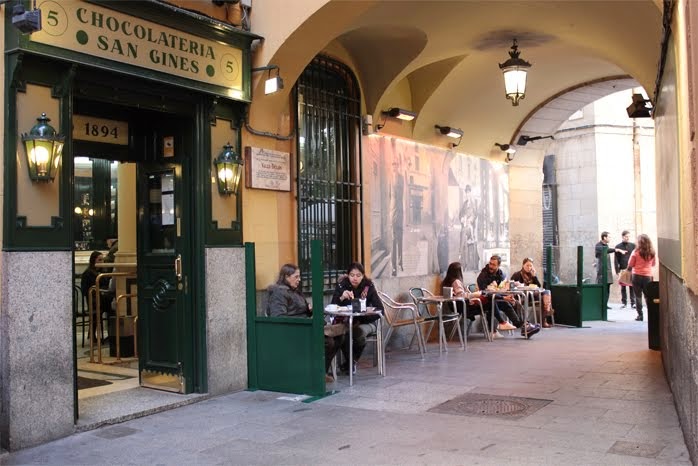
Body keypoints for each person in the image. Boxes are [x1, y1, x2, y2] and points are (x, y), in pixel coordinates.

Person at [267, 264, 343, 383]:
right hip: (294, 331)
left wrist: (308, 310)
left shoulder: (294, 291)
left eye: (299, 276)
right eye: (296, 277)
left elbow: (298, 309)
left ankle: (321, 371)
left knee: (339, 336)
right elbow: (278, 317)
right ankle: (314, 372)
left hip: (304, 326)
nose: (299, 280)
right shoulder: (279, 293)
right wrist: (303, 320)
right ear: (287, 277)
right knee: (328, 341)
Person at [331, 262, 383, 375]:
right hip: (346, 321)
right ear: (348, 275)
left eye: (358, 275)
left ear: (363, 276)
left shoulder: (368, 287)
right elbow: (333, 306)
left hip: (367, 322)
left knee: (358, 333)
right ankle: (351, 363)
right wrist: (341, 297)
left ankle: (350, 363)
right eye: (352, 275)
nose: (355, 278)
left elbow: (380, 309)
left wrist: (363, 316)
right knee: (343, 333)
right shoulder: (342, 285)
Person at [476, 255, 541, 338]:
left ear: (498, 265)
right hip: (486, 301)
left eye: (493, 265)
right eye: (490, 264)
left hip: (496, 298)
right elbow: (485, 293)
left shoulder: (500, 274)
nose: (491, 266)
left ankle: (525, 326)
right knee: (496, 302)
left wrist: (508, 297)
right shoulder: (483, 275)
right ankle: (507, 324)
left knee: (514, 302)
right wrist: (503, 297)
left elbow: (503, 288)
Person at [510, 257, 553, 328]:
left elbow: (538, 286)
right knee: (543, 297)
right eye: (527, 265)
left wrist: (534, 276)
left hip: (532, 295)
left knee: (546, 293)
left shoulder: (532, 275)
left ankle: (545, 315)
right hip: (522, 296)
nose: (529, 267)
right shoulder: (517, 274)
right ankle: (544, 319)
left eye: (530, 266)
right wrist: (517, 285)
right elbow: (511, 285)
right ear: (523, 265)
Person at [80, 251, 111, 342]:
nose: (102, 262)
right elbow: (85, 290)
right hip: (93, 300)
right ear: (93, 261)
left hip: (102, 298)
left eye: (103, 260)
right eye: (99, 260)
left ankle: (111, 334)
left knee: (114, 307)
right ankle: (94, 335)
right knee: (103, 309)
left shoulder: (102, 272)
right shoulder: (88, 273)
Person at [627, 234, 656, 322]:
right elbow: (653, 264)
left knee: (638, 296)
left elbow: (630, 265)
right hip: (648, 276)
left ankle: (640, 315)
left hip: (637, 276)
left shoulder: (635, 252)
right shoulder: (652, 252)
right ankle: (651, 315)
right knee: (648, 296)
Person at [595, 231, 626, 310]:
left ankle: (605, 304)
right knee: (602, 288)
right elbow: (606, 250)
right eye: (609, 237)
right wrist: (617, 250)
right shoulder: (598, 245)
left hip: (608, 270)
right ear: (604, 237)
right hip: (601, 271)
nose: (610, 238)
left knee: (608, 287)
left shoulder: (606, 245)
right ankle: (601, 304)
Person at [390, 152, 405, 276]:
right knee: (393, 240)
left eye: (396, 164)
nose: (394, 166)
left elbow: (402, 193)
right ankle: (393, 266)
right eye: (393, 164)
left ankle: (400, 262)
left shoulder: (401, 177)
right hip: (393, 211)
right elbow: (390, 195)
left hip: (400, 211)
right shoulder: (391, 178)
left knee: (400, 239)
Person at [614, 230, 636, 309]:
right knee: (623, 287)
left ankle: (633, 303)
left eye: (629, 236)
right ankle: (624, 302)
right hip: (622, 269)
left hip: (631, 269)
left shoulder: (633, 245)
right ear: (623, 237)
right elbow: (616, 260)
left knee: (632, 286)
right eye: (626, 236)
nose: (628, 238)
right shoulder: (618, 246)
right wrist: (617, 271)